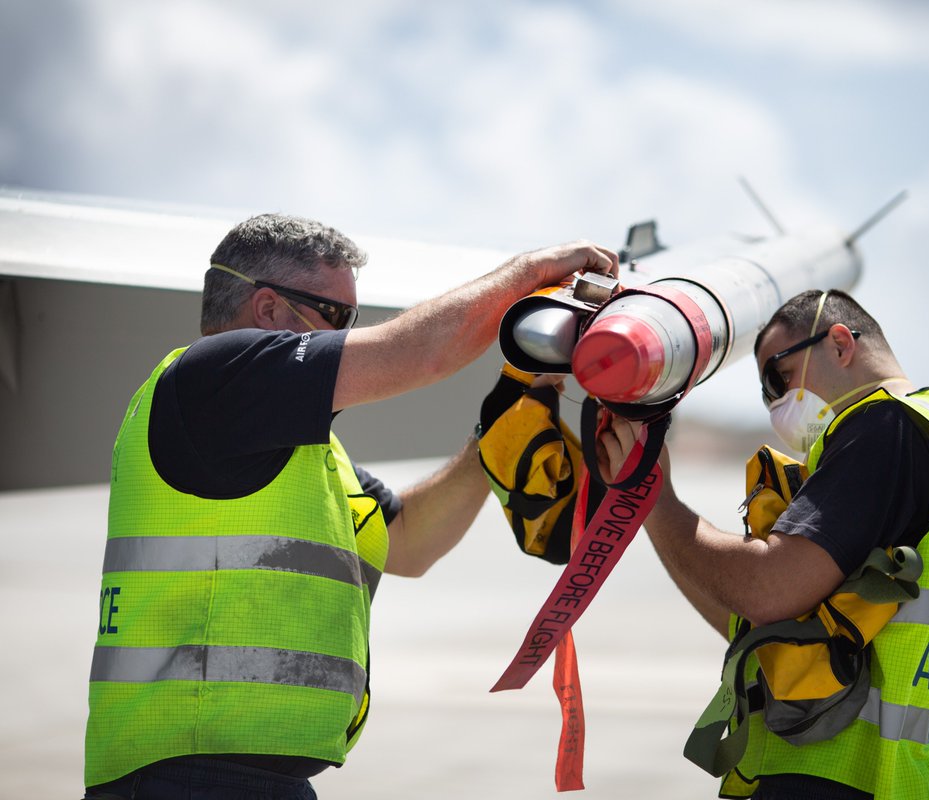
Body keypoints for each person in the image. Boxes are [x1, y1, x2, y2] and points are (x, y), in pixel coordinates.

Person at [83, 213, 618, 799]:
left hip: (251, 779)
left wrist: (504, 419)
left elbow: (411, 541)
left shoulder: (303, 454)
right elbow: (421, 354)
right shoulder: (210, 379)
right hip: (184, 776)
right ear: (267, 310)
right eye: (335, 317)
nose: (343, 335)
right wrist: (531, 275)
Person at [598, 289, 929, 799]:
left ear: (840, 343)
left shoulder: (883, 428)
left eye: (779, 376)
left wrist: (658, 502)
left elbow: (768, 590)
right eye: (766, 392)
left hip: (830, 775)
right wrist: (652, 512)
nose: (777, 402)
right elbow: (760, 623)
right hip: (882, 776)